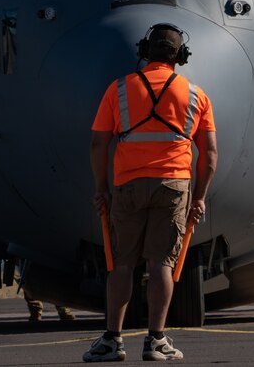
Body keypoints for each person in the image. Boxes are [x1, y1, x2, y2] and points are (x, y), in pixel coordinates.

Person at [83, 23, 217, 362]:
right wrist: (199, 196)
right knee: (162, 263)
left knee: (122, 264)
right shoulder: (196, 95)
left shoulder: (119, 90)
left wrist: (101, 189)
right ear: (181, 56)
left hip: (127, 185)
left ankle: (113, 339)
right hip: (173, 186)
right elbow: (210, 154)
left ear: (144, 51)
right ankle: (156, 340)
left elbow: (99, 143)